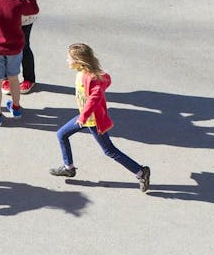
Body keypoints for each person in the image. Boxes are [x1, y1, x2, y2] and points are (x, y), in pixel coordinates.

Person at [49, 44, 151, 192]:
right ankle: (68, 168)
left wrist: (83, 117)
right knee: (61, 134)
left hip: (92, 121)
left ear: (80, 61)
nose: (67, 61)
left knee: (109, 150)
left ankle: (141, 172)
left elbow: (94, 99)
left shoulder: (90, 78)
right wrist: (83, 116)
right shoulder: (82, 73)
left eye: (69, 58)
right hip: (84, 117)